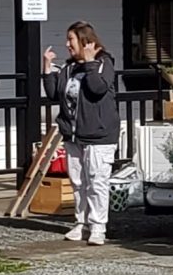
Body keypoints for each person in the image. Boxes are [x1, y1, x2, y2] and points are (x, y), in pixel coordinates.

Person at [43, 21, 120, 246]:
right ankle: (81, 222)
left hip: (99, 135)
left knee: (97, 180)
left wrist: (89, 62)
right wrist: (47, 68)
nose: (67, 44)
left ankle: (98, 226)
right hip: (73, 134)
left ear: (84, 41)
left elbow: (97, 89)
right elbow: (54, 94)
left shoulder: (104, 63)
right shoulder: (68, 68)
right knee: (78, 181)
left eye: (71, 40)